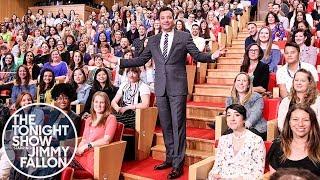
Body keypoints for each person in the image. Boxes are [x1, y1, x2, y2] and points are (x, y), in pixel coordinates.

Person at [105, 7, 224, 179]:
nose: (166, 20)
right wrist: (117, 60)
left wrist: (213, 56)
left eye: (169, 17)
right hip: (160, 88)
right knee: (166, 126)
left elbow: (197, 55)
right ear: (159, 20)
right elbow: (141, 59)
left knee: (178, 126)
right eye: (163, 18)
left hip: (178, 88)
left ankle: (178, 164)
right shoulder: (153, 40)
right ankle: (169, 158)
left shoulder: (184, 36)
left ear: (174, 19)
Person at [208, 104, 265, 179]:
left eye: (237, 115)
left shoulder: (256, 140)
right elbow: (216, 167)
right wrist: (213, 176)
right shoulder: (223, 140)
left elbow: (258, 173)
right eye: (229, 115)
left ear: (244, 119)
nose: (232, 119)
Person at [68, 91, 117, 176]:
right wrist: (79, 150)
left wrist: (87, 146)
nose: (98, 105)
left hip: (95, 156)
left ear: (106, 104)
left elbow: (106, 141)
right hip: (82, 154)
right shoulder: (89, 119)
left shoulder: (111, 118)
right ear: (93, 103)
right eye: (96, 102)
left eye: (102, 102)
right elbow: (84, 139)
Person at [267, 104, 320, 176]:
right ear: (289, 122)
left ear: (312, 123)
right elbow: (274, 177)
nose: (300, 124)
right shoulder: (278, 146)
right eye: (295, 119)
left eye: (306, 120)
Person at [225, 72, 267, 140]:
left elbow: (255, 114)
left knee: (243, 138)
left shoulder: (256, 97)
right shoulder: (230, 99)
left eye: (244, 81)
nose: (241, 83)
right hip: (236, 127)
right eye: (238, 80)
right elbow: (229, 114)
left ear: (248, 85)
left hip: (256, 127)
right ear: (235, 83)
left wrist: (242, 127)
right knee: (225, 137)